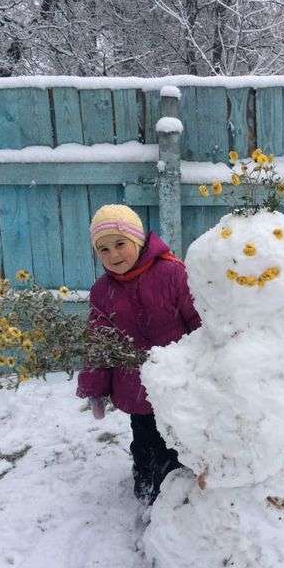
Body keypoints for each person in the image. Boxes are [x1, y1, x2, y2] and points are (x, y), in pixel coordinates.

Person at [77, 204, 201, 504]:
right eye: (103, 249)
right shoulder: (101, 291)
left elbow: (199, 321)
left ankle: (182, 493)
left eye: (120, 244)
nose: (114, 255)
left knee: (179, 440)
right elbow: (99, 341)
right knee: (145, 439)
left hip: (177, 382)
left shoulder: (173, 273)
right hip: (135, 387)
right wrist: (94, 388)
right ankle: (147, 485)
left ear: (138, 240)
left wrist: (209, 364)